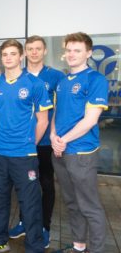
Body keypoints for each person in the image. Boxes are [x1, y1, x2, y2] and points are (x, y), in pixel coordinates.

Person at [0, 39, 52, 253]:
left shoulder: (34, 84)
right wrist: (1, 137)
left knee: (29, 203)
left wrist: (30, 142)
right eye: (5, 54)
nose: (9, 58)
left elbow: (43, 121)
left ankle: (34, 247)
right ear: (1, 58)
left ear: (21, 57)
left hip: (24, 155)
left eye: (13, 54)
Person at [51, 32, 108, 253]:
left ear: (88, 53)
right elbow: (57, 113)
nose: (72, 54)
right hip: (60, 152)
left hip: (81, 153)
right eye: (69, 50)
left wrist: (62, 140)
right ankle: (78, 246)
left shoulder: (96, 79)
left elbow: (90, 119)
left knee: (89, 206)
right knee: (72, 203)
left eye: (77, 50)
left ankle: (97, 250)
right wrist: (53, 136)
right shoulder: (63, 82)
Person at [9, 36, 65, 248]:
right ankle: (25, 222)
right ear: (25, 52)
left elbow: (60, 110)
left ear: (44, 52)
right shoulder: (17, 75)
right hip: (21, 143)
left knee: (46, 184)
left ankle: (44, 227)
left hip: (44, 142)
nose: (33, 52)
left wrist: (56, 134)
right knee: (24, 185)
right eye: (30, 49)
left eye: (38, 49)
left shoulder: (55, 76)